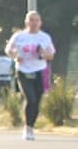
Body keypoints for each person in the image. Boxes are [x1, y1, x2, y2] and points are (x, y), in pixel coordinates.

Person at [6, 11, 56, 141]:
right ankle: (27, 128)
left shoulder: (45, 37)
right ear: (26, 22)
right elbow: (9, 50)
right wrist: (16, 56)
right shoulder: (19, 36)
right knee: (30, 98)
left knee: (37, 101)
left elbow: (51, 55)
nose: (34, 23)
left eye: (37, 20)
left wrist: (43, 54)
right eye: (32, 20)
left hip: (40, 71)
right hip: (23, 71)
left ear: (40, 22)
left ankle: (31, 127)